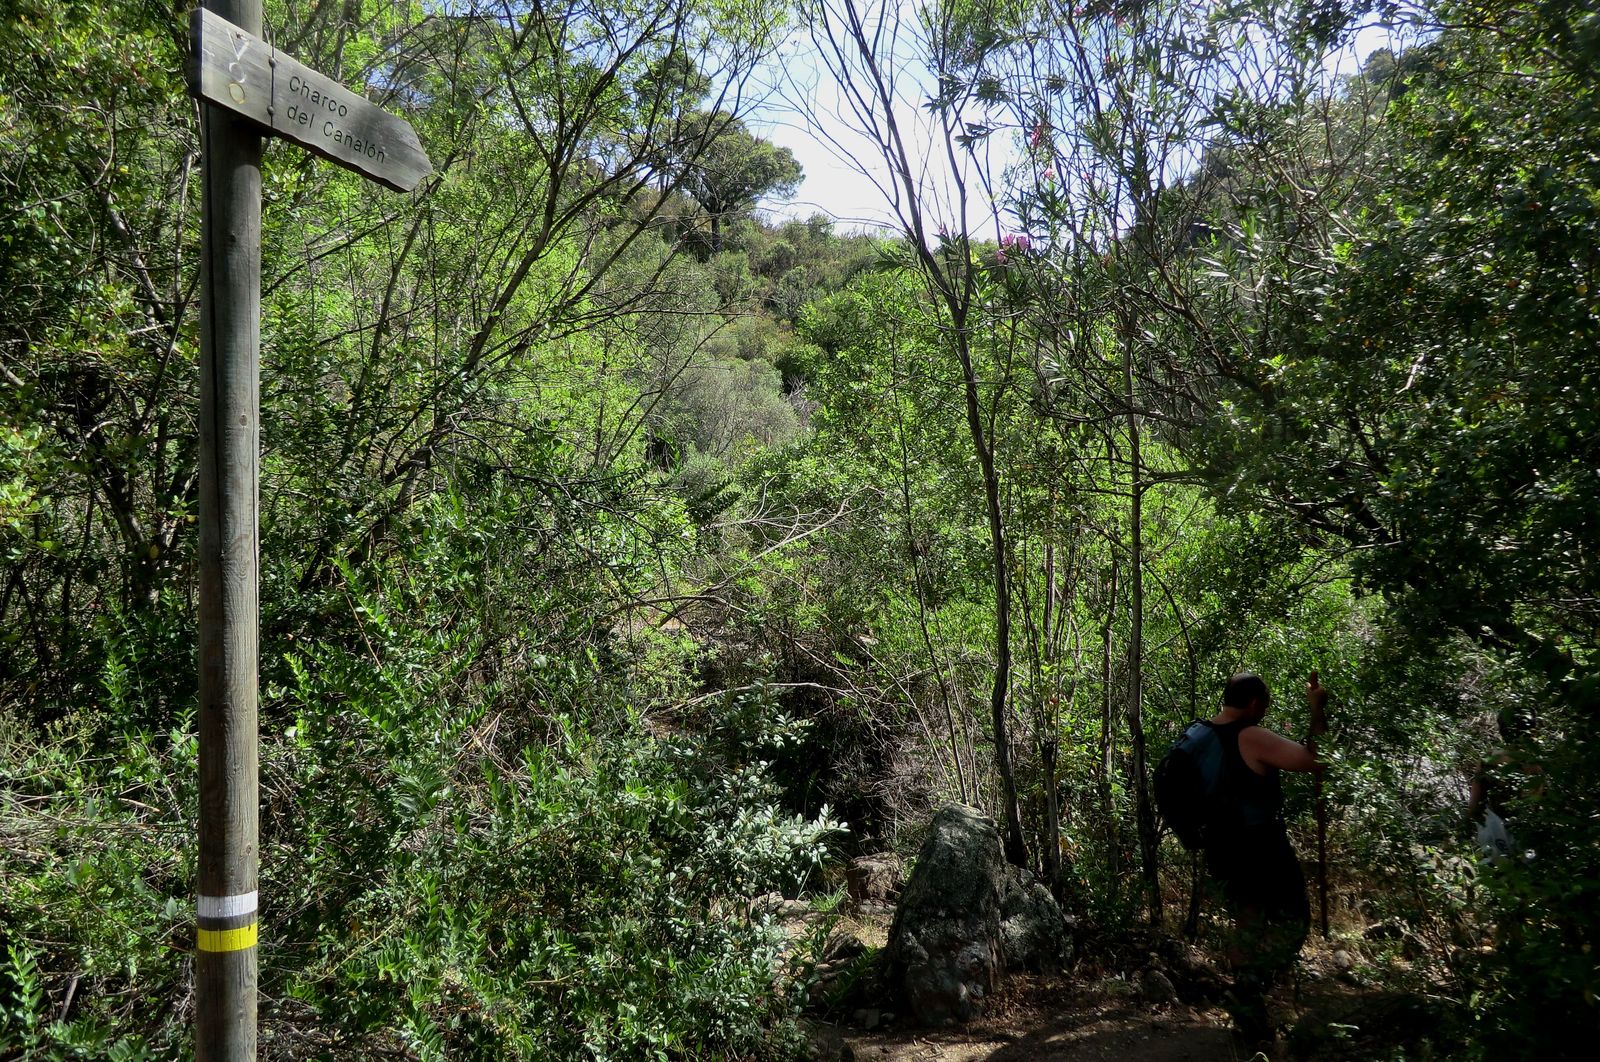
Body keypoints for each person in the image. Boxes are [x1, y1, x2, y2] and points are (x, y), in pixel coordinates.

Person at [1200, 670, 1325, 1047]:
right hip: (1260, 847)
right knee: (1294, 923)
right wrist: (1316, 709)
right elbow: (1315, 758)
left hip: (1221, 848)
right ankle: (1248, 992)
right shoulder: (1250, 735)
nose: (1265, 713)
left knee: (1248, 920)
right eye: (1265, 707)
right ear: (1254, 704)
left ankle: (1249, 1016)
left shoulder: (1202, 734)